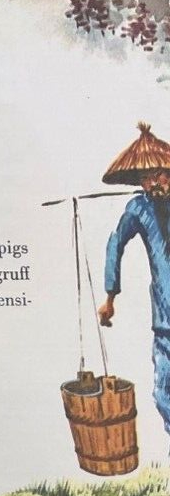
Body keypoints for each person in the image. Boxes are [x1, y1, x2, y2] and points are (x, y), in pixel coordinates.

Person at [97, 124, 170, 471]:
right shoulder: (139, 208)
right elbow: (115, 243)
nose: (153, 183)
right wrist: (110, 296)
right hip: (166, 323)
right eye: (145, 178)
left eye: (158, 175)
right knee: (164, 396)